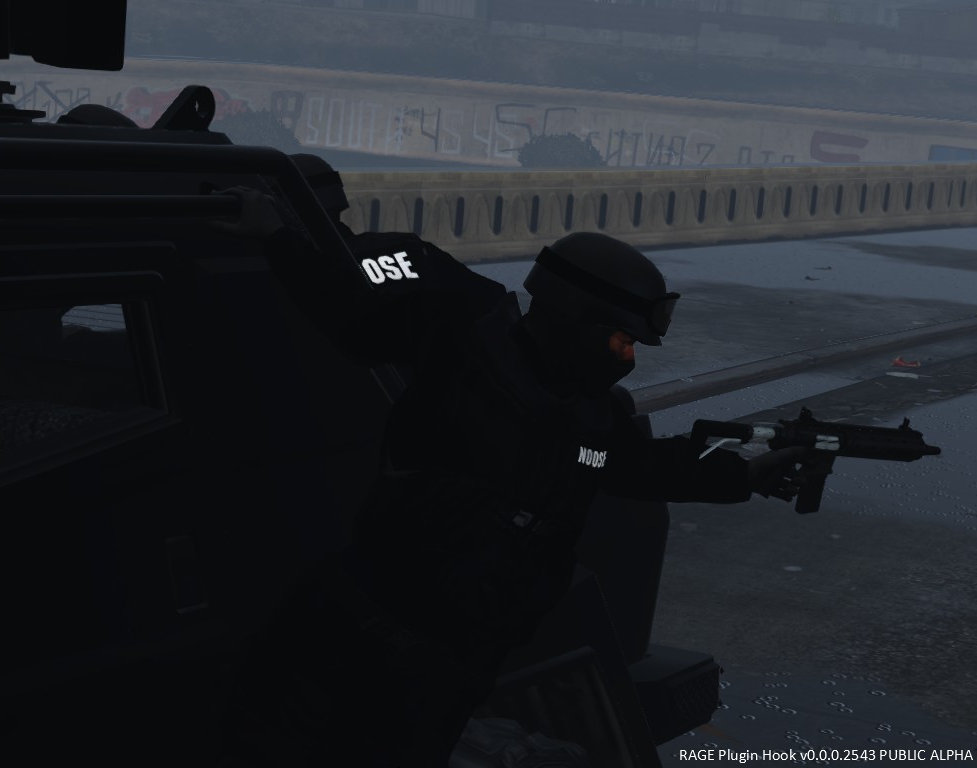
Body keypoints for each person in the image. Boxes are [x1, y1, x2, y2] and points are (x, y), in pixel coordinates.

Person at [216, 172, 808, 767]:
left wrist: (743, 476)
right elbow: (349, 303)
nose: (627, 358)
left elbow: (633, 467)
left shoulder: (589, 420)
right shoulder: (462, 331)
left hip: (448, 666)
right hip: (358, 626)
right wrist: (276, 234)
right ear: (574, 317)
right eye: (620, 341)